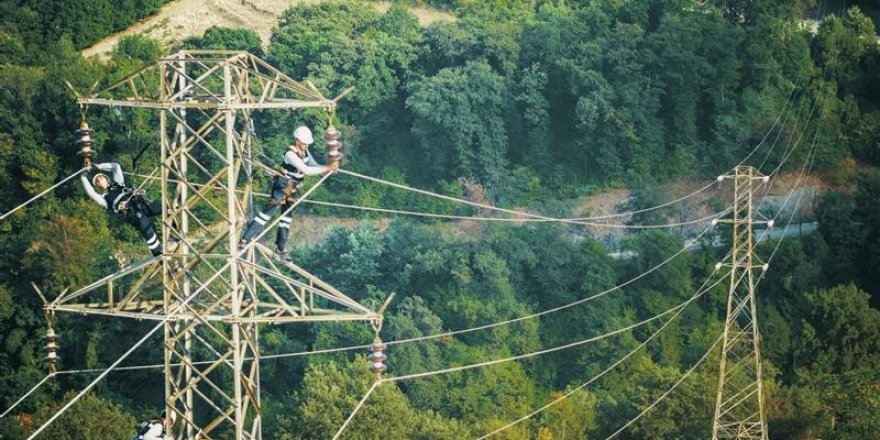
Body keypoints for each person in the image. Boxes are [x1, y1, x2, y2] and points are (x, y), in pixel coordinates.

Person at [239, 125, 338, 260]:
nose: (307, 146)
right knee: (266, 215)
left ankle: (280, 247)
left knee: (286, 218)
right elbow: (306, 170)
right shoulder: (290, 154)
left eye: (308, 143)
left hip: (293, 188)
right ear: (297, 140)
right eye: (304, 143)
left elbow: (312, 165)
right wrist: (328, 168)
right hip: (282, 186)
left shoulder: (305, 152)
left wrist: (328, 168)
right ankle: (245, 239)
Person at [81, 162, 163, 257]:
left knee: (160, 206)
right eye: (97, 181)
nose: (99, 180)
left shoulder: (118, 183)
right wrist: (83, 177)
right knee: (145, 227)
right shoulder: (103, 199)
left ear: (106, 178)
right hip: (132, 214)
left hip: (140, 204)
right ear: (97, 186)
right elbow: (91, 193)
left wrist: (99, 166)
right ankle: (158, 252)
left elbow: (116, 167)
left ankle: (174, 219)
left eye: (100, 178)